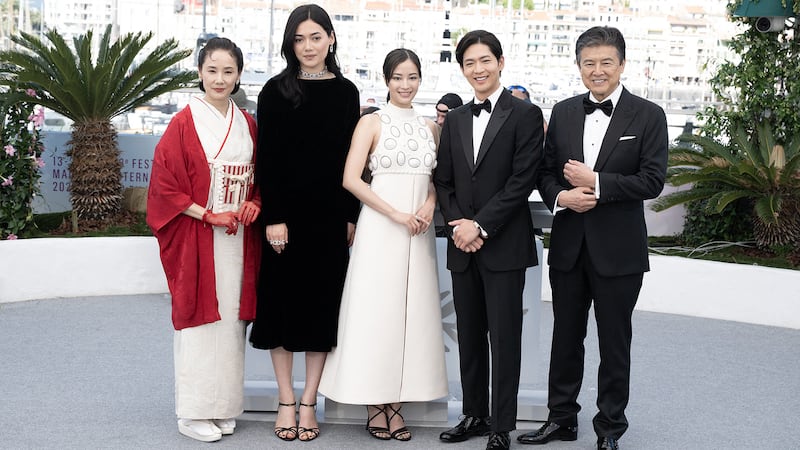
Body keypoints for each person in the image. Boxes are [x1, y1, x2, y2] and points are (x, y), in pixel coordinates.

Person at [516, 26, 668, 450]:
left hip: (619, 251)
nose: (597, 71)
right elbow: (545, 172)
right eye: (589, 63)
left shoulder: (649, 115)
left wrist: (597, 182)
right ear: (579, 66)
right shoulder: (563, 112)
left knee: (614, 343)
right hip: (568, 245)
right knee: (565, 338)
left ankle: (610, 429)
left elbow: (653, 181)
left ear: (621, 64)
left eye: (606, 62)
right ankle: (561, 418)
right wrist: (562, 195)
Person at [318, 48, 448, 442]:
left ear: (420, 79)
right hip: (381, 227)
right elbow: (351, 179)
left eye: (412, 77)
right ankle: (376, 403)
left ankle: (398, 402)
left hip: (418, 231)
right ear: (386, 80)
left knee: (413, 317)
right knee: (378, 315)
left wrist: (427, 206)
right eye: (397, 78)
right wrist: (394, 214)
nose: (405, 85)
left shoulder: (430, 127)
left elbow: (433, 181)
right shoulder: (371, 123)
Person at [248, 4, 361, 443]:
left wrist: (350, 216)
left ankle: (310, 401)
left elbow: (352, 161)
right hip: (285, 220)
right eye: (300, 38)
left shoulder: (347, 92)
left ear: (331, 38)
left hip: (331, 218)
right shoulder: (274, 91)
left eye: (316, 36)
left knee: (320, 309)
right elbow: (268, 160)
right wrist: (273, 217)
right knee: (279, 308)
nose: (308, 46)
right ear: (289, 44)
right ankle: (284, 400)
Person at [433, 30, 544, 450]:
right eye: (469, 63)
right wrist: (459, 223)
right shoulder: (458, 117)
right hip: (463, 244)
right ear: (462, 69)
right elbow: (443, 181)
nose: (478, 70)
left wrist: (478, 226)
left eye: (485, 61)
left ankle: (501, 426)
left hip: (502, 243)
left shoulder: (525, 115)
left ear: (500, 62)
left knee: (504, 337)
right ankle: (474, 415)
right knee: (470, 335)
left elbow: (521, 182)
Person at [146, 37, 261, 443]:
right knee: (199, 320)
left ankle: (224, 406)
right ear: (199, 72)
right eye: (212, 70)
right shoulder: (183, 123)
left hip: (237, 236)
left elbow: (259, 176)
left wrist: (255, 203)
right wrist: (206, 213)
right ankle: (193, 411)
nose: (220, 79)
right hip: (199, 231)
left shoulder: (247, 122)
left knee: (231, 320)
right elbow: (163, 186)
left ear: (239, 75)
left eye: (228, 71)